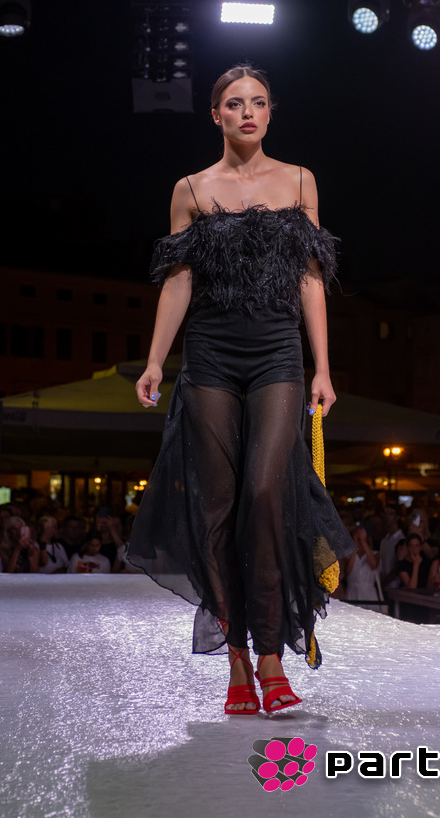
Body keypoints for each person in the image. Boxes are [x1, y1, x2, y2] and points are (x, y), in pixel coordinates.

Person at [127, 64, 353, 715]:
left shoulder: (300, 180)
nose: (247, 111)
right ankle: (238, 662)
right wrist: (155, 360)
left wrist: (322, 366)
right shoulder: (192, 188)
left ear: (270, 112)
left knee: (265, 492)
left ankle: (272, 654)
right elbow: (178, 280)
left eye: (258, 102)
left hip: (278, 351)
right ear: (216, 114)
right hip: (210, 357)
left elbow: (311, 277)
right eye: (234, 103)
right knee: (217, 508)